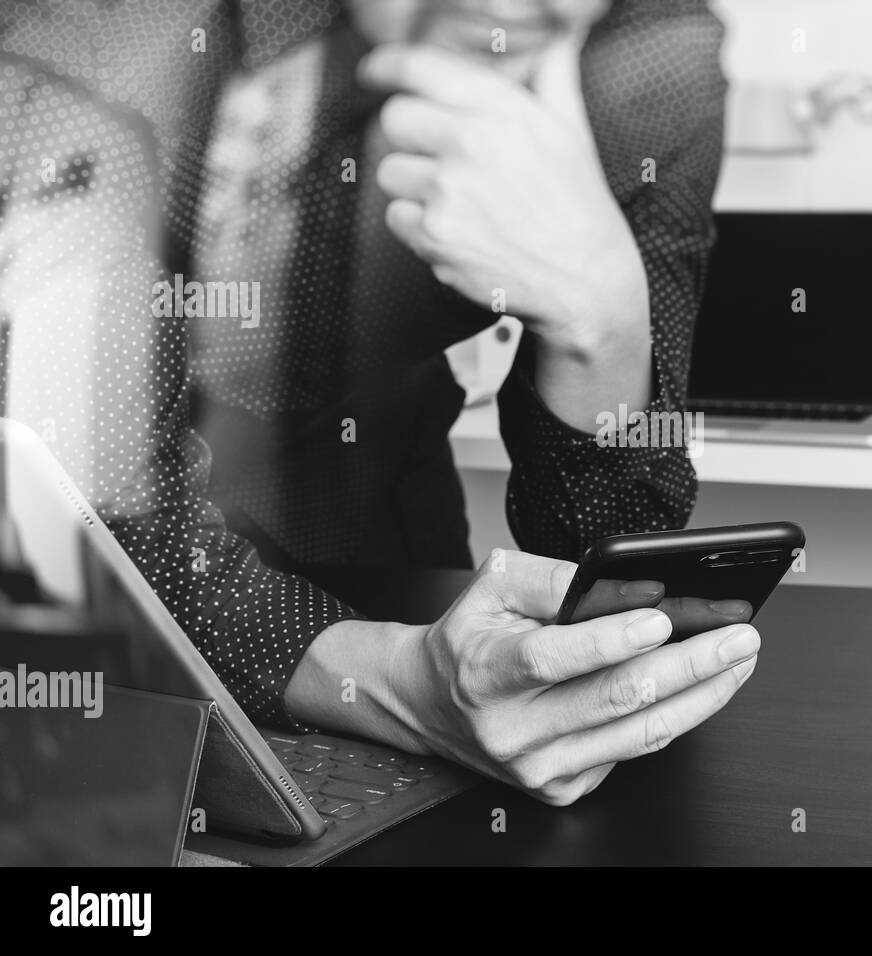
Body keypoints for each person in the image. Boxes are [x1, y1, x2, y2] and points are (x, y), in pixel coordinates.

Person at [0, 0, 759, 805]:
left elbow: (604, 585)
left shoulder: (649, 64)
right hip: (111, 673)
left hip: (398, 574)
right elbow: (81, 502)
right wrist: (405, 687)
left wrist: (601, 321)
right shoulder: (92, 44)